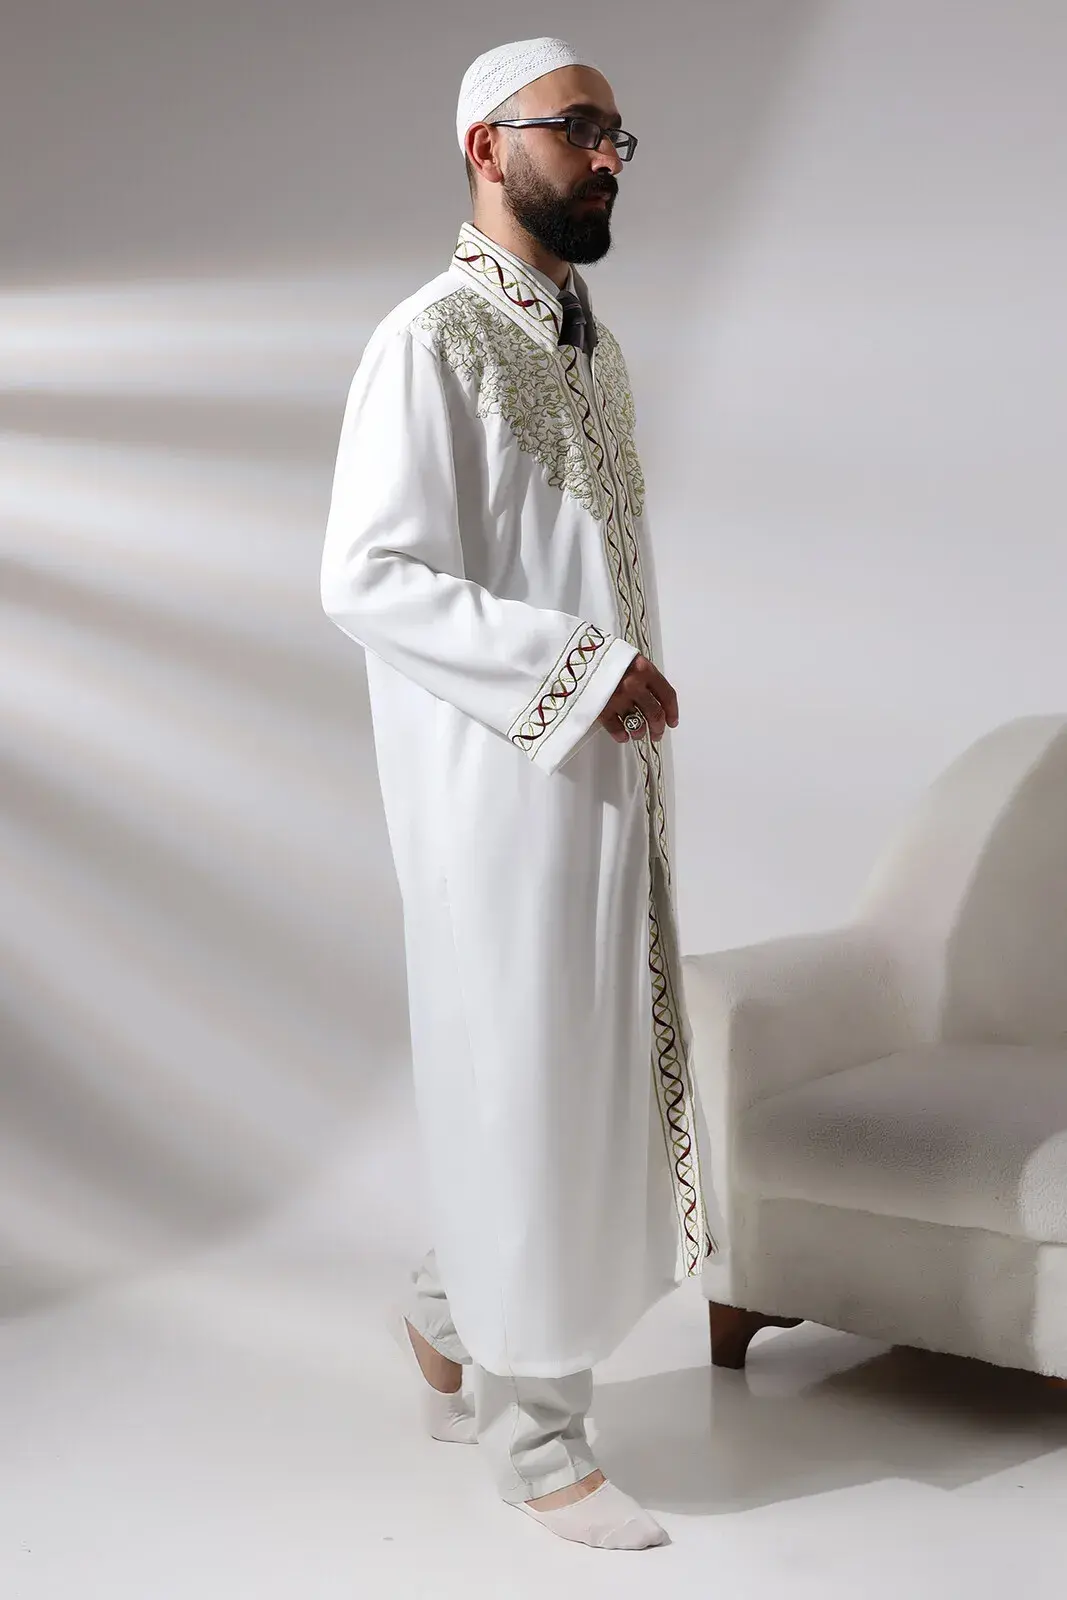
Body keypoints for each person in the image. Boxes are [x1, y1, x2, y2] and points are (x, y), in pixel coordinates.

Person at [320, 35, 721, 1550]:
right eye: (578, 129)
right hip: (494, 789)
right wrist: (577, 668)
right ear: (487, 147)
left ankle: (444, 1316)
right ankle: (538, 1443)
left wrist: (610, 686)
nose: (608, 156)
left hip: (598, 784)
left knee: (571, 1081)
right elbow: (366, 573)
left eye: (619, 135)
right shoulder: (427, 341)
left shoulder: (588, 345)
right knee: (526, 1076)